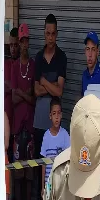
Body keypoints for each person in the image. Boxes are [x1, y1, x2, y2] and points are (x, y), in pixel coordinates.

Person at [8, 22, 36, 200]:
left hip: (31, 129)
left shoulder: (33, 66)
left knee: (29, 175)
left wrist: (23, 94)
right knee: (17, 175)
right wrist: (24, 95)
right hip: (17, 129)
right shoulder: (14, 66)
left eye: (26, 41)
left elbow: (32, 99)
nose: (24, 44)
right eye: (21, 41)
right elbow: (14, 97)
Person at [33, 14, 67, 160]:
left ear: (57, 34)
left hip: (55, 120)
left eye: (53, 34)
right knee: (39, 162)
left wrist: (44, 82)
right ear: (44, 34)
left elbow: (59, 91)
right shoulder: (38, 57)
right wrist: (52, 84)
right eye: (48, 33)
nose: (51, 37)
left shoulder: (61, 57)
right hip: (39, 119)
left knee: (56, 160)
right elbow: (36, 91)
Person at [40, 96, 70, 186]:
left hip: (61, 182)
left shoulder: (65, 135)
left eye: (58, 113)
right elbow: (43, 163)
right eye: (54, 114)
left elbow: (68, 160)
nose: (56, 117)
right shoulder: (46, 136)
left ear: (61, 115)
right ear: (50, 116)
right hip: (48, 182)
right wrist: (43, 185)